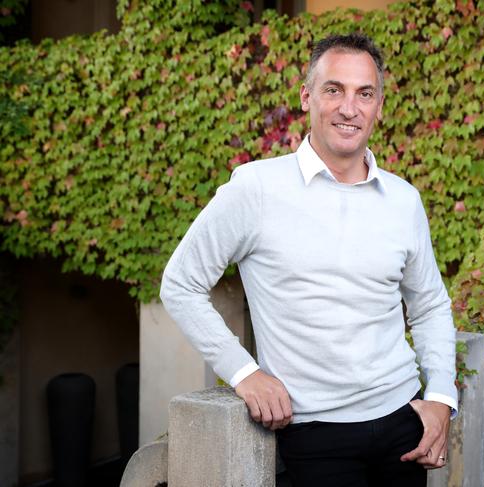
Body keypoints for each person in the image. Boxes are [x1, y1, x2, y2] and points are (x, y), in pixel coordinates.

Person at [160, 33, 458, 486]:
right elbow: (180, 284)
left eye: (365, 93)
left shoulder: (403, 199)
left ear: (379, 107)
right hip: (314, 434)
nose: (348, 107)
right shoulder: (255, 188)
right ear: (307, 97)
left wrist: (439, 397)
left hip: (403, 424)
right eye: (333, 89)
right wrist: (245, 373)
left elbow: (431, 304)